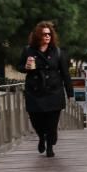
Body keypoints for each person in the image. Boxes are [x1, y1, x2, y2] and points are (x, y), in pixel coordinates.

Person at [17, 21, 73, 157]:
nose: (47, 36)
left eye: (49, 34)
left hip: (54, 92)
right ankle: (41, 137)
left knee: (52, 124)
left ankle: (49, 147)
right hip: (34, 92)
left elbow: (65, 73)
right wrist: (26, 67)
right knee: (36, 121)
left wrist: (70, 93)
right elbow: (19, 67)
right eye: (44, 34)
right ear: (38, 36)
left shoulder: (58, 52)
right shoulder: (28, 50)